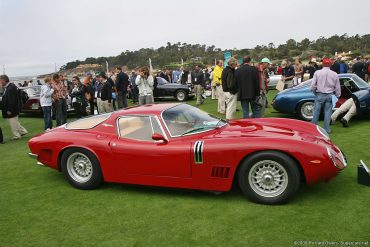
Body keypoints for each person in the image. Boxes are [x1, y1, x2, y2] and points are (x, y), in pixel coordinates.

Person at [311, 58, 341, 133]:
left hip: (319, 94)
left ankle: (313, 128)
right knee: (328, 113)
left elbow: (313, 85)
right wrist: (337, 96)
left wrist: (315, 93)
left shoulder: (317, 72)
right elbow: (337, 87)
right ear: (330, 64)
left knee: (316, 112)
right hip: (330, 95)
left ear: (323, 64)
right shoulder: (334, 74)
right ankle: (326, 129)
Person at [0, 74, 28, 140]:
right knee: (14, 122)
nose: (0, 82)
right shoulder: (9, 87)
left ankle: (17, 136)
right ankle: (23, 131)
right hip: (12, 108)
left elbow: (12, 100)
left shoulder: (10, 87)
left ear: (4, 80)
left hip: (12, 109)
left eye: (0, 81)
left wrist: (9, 110)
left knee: (13, 122)